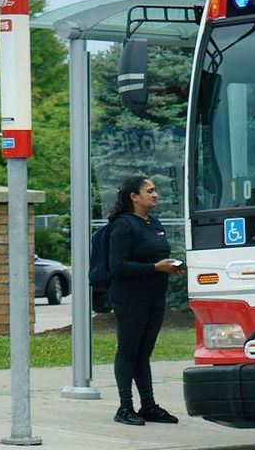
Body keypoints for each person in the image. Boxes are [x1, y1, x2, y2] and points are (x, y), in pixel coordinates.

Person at [107, 176, 184, 426]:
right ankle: (125, 407)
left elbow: (157, 257)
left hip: (154, 298)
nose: (155, 194)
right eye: (149, 191)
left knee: (144, 353)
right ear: (134, 197)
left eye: (155, 190)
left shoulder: (153, 222)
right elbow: (117, 267)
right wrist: (153, 268)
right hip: (130, 299)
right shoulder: (124, 225)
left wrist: (170, 268)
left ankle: (148, 406)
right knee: (128, 352)